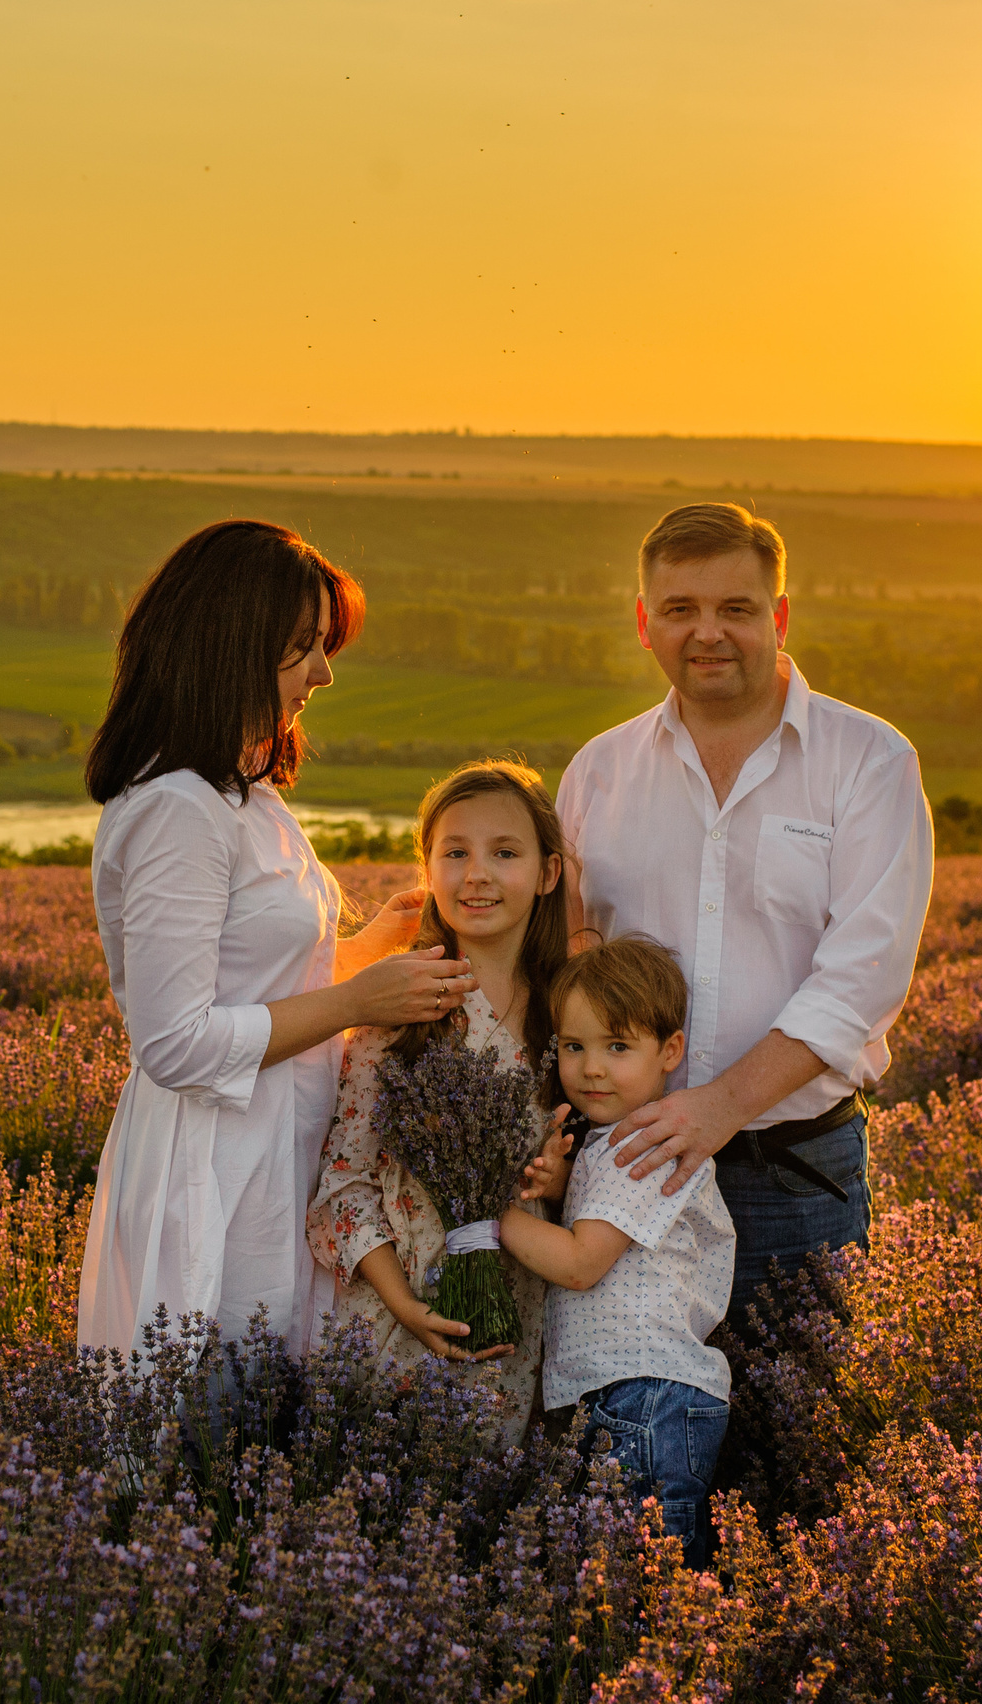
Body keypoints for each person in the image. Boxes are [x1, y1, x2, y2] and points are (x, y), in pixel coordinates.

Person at [77, 519, 478, 1358]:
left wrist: (366, 949)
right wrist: (355, 1001)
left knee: (272, 1408)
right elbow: (175, 1043)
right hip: (214, 1173)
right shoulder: (177, 810)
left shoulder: (244, 793)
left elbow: (249, 981)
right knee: (217, 1410)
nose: (323, 673)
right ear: (229, 646)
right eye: (303, 647)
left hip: (276, 1157)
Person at [557, 502, 933, 1330]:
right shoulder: (598, 773)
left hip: (791, 1173)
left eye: (736, 608)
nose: (708, 633)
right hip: (624, 1176)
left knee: (803, 1405)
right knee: (629, 1404)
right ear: (644, 623)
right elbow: (565, 959)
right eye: (680, 609)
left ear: (780, 616)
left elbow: (861, 980)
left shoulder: (869, 762)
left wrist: (722, 1104)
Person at [305, 760, 569, 1417]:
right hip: (395, 1321)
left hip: (519, 1321)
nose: (476, 874)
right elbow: (345, 1182)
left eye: (504, 852)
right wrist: (405, 1305)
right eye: (455, 853)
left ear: (548, 873)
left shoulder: (570, 1015)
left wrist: (560, 1180)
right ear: (427, 871)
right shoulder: (400, 1011)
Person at [499, 937, 732, 1567]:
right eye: (574, 1047)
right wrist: (559, 1187)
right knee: (616, 1580)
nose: (592, 1068)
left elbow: (582, 1263)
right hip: (625, 1392)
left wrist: (493, 1217)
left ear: (670, 1051)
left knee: (646, 1582)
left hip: (645, 1396)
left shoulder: (647, 1146)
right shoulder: (611, 1142)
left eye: (617, 1047)